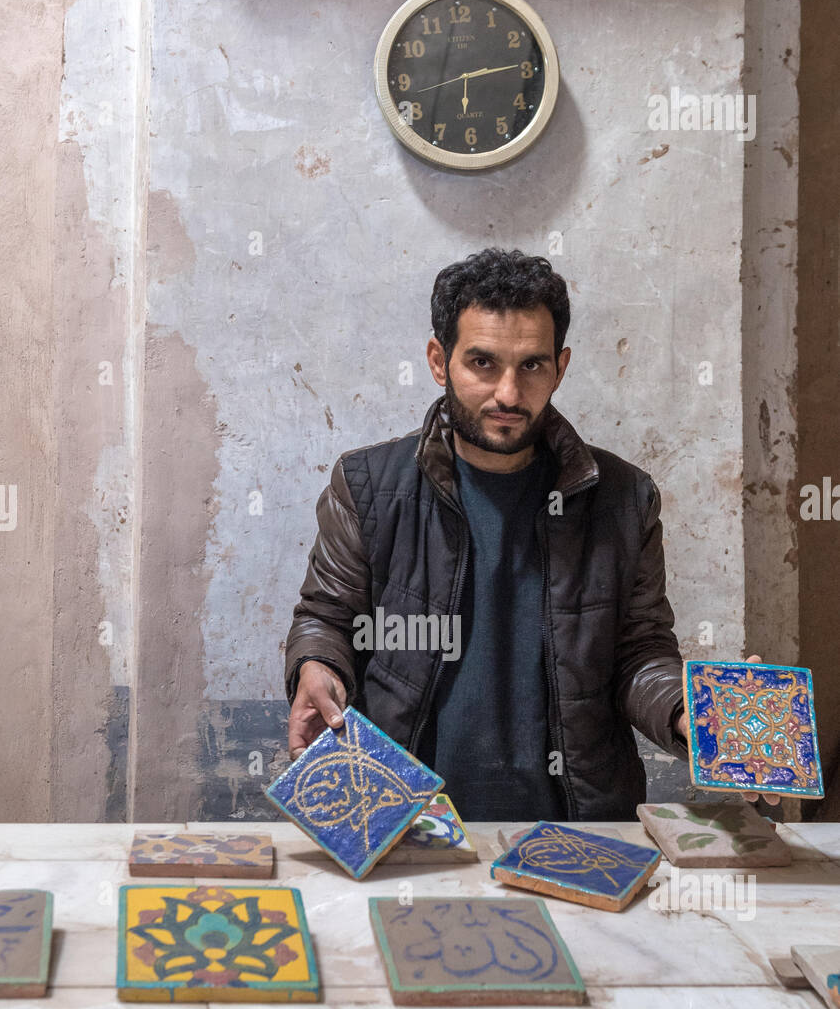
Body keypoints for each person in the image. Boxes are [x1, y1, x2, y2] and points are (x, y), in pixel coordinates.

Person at [283, 247, 777, 819]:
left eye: (533, 366)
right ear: (439, 361)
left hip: (580, 828)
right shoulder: (367, 485)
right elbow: (327, 618)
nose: (509, 395)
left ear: (560, 367)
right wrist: (317, 666)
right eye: (483, 363)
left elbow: (639, 653)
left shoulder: (623, 497)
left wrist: (686, 712)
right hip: (401, 820)